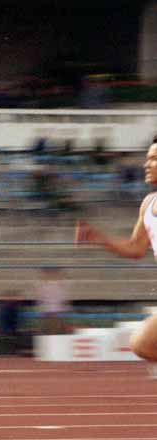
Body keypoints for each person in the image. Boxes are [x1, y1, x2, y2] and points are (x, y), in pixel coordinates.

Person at [75, 134, 157, 364]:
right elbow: (136, 248)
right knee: (142, 344)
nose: (146, 164)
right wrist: (99, 238)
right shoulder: (148, 204)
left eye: (153, 158)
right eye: (147, 158)